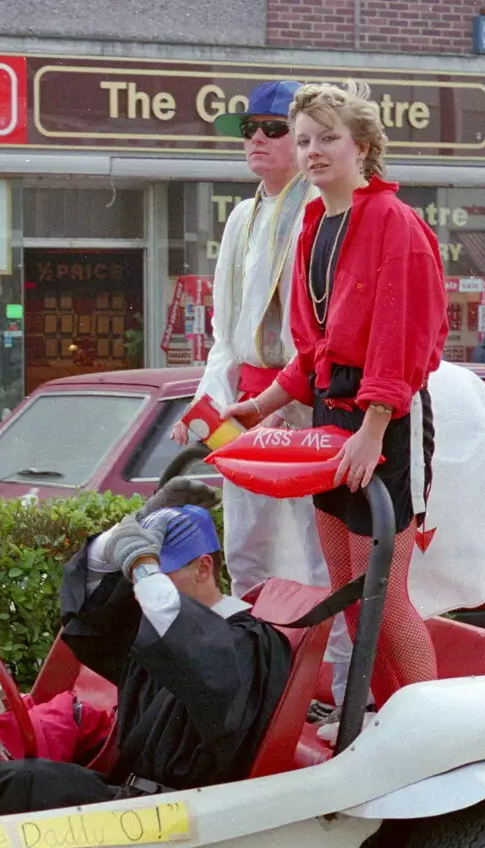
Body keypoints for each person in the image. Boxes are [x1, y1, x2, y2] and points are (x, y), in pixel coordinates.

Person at [228, 79, 443, 710]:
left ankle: (432, 722)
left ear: (364, 146)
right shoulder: (315, 222)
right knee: (347, 586)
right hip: (333, 412)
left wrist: (374, 429)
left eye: (328, 138)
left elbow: (400, 339)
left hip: (389, 415)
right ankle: (372, 716)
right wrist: (264, 405)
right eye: (303, 140)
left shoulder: (395, 223)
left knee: (386, 593)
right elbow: (312, 349)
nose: (313, 151)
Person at [0, 499, 293, 820]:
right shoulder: (165, 626)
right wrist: (107, 547)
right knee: (15, 776)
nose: (142, 589)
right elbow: (91, 625)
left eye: (158, 574)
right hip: (128, 795)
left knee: (28, 783)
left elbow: (206, 667)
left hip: (178, 816)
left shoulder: (251, 643)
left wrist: (146, 571)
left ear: (202, 568)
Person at [169, 78, 354, 703]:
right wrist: (207, 403)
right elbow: (225, 333)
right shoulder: (243, 218)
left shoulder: (324, 211)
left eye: (274, 129)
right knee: (244, 542)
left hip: (309, 398)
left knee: (320, 547)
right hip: (247, 402)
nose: (257, 139)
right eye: (250, 129)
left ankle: (336, 684)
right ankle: (260, 675)